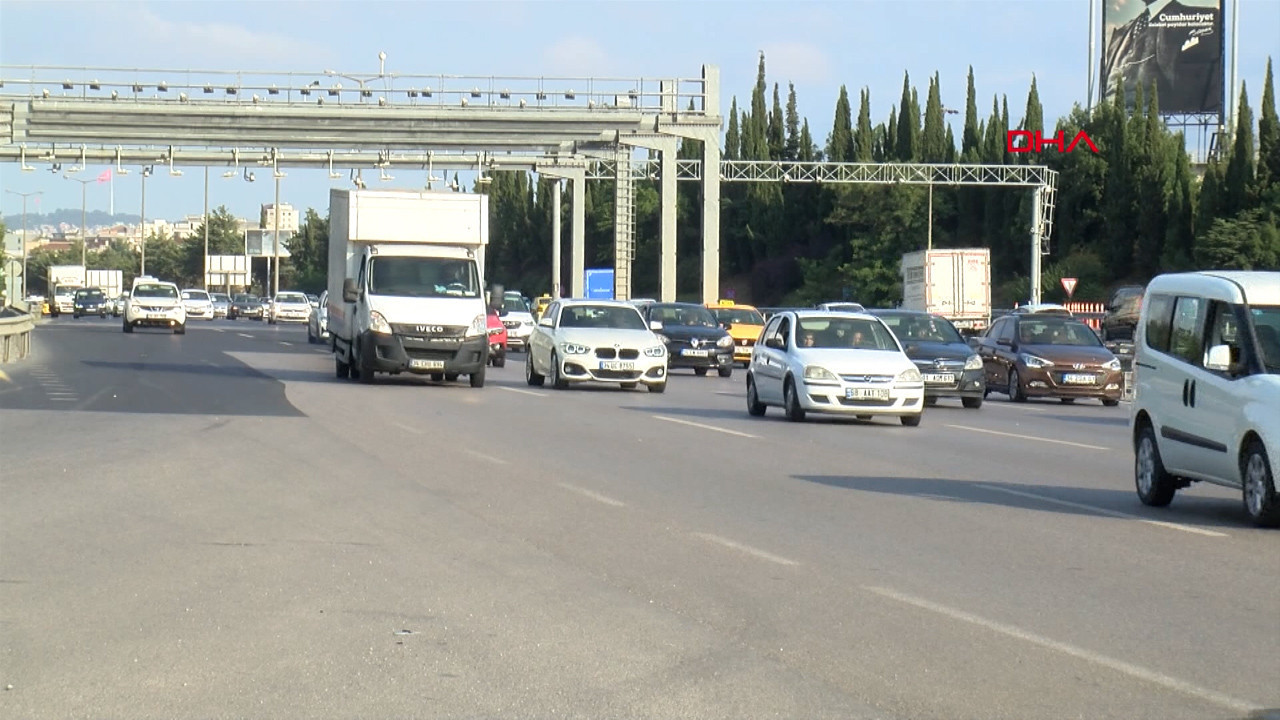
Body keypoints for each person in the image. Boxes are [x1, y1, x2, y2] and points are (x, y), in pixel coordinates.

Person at [1100, 0, 1222, 115]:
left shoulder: (1203, 18)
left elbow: (1209, 88)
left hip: (1166, 122)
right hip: (1115, 123)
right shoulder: (1121, 33)